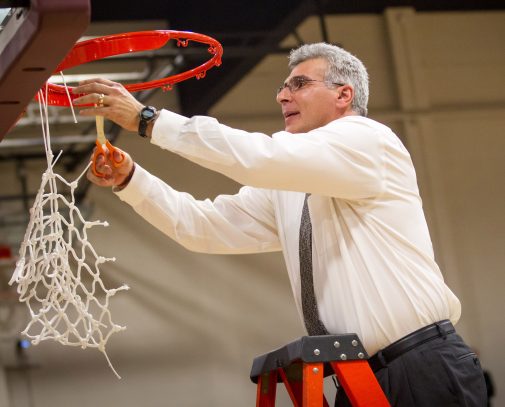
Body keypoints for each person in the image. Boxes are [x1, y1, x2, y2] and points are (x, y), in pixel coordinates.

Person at [72, 43, 487, 406]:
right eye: (283, 86)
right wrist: (131, 180)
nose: (282, 95)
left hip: (421, 363)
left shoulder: (368, 140)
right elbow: (202, 226)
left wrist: (149, 119)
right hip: (357, 376)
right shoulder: (292, 186)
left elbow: (260, 158)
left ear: (345, 95)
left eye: (300, 84)